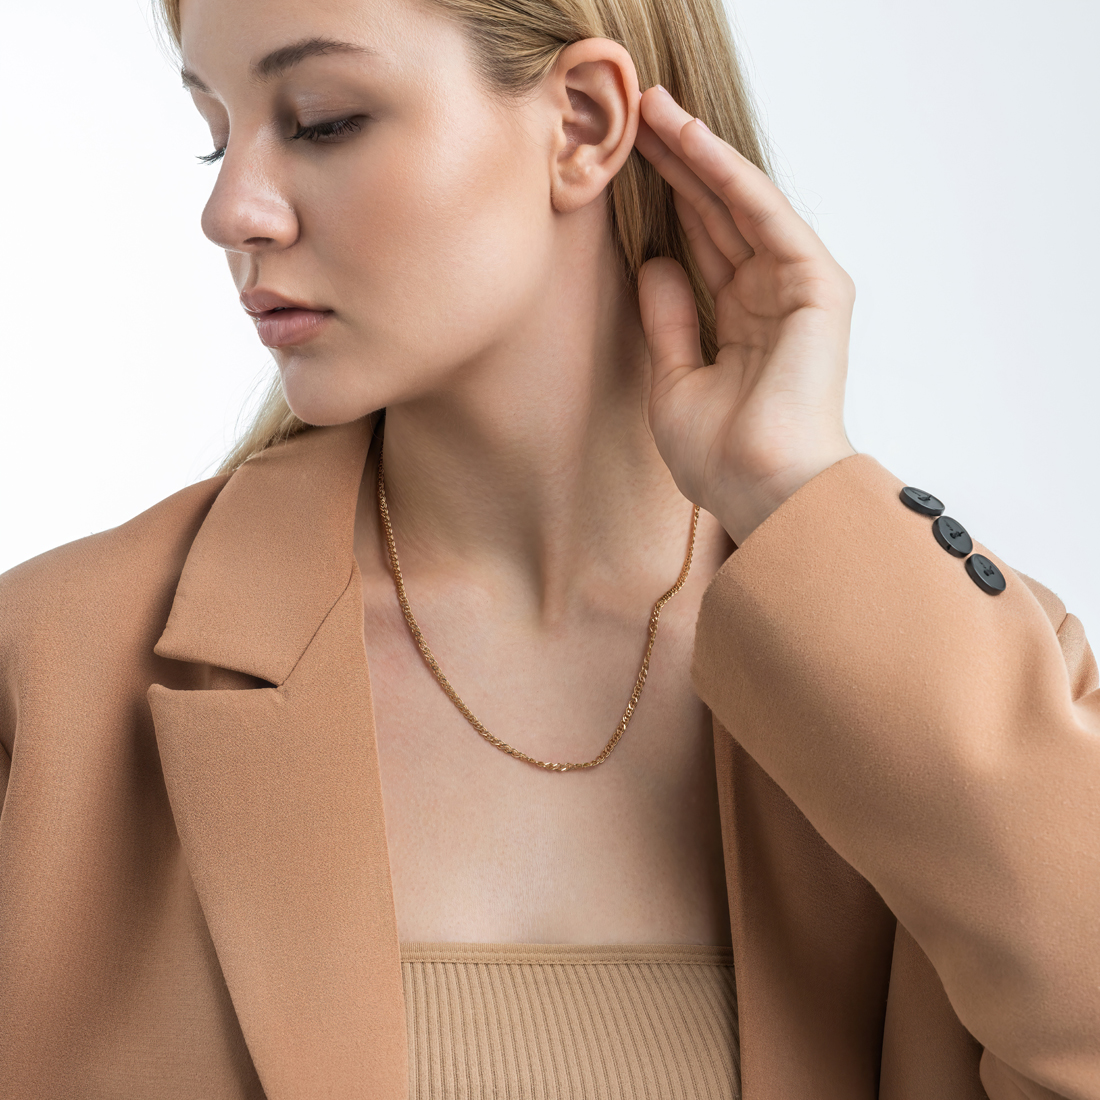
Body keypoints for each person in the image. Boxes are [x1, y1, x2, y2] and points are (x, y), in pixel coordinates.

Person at [0, 0, 1096, 1095]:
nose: (229, 209)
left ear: (581, 123)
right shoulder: (49, 683)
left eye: (323, 119)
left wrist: (794, 488)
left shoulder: (949, 687)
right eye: (216, 133)